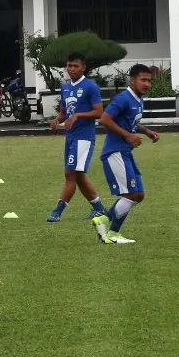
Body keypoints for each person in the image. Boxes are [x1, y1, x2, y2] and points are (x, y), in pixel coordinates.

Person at [47, 52, 110, 233]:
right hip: (71, 136)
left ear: (83, 67)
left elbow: (99, 112)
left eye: (75, 66)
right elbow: (64, 111)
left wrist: (78, 115)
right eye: (69, 66)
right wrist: (57, 120)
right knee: (79, 175)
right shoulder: (65, 87)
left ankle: (57, 211)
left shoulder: (90, 87)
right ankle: (99, 209)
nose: (71, 69)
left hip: (84, 137)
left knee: (70, 174)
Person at [97, 63, 159, 244]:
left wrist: (147, 132)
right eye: (143, 80)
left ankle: (103, 219)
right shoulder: (123, 99)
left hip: (125, 152)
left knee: (139, 194)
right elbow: (104, 119)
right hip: (114, 151)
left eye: (149, 80)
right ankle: (112, 233)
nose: (147, 84)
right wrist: (128, 136)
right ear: (132, 80)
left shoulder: (138, 99)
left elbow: (129, 123)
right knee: (130, 195)